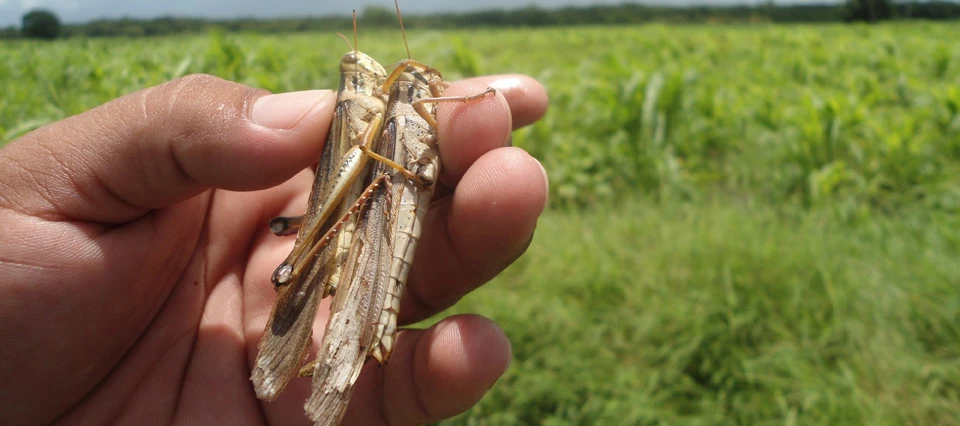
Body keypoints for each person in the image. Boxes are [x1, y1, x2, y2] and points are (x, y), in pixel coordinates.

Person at [0, 72, 549, 425]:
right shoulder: (365, 113)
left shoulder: (397, 115)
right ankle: (319, 331)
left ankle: (339, 342)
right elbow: (366, 163)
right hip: (358, 198)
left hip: (369, 195)